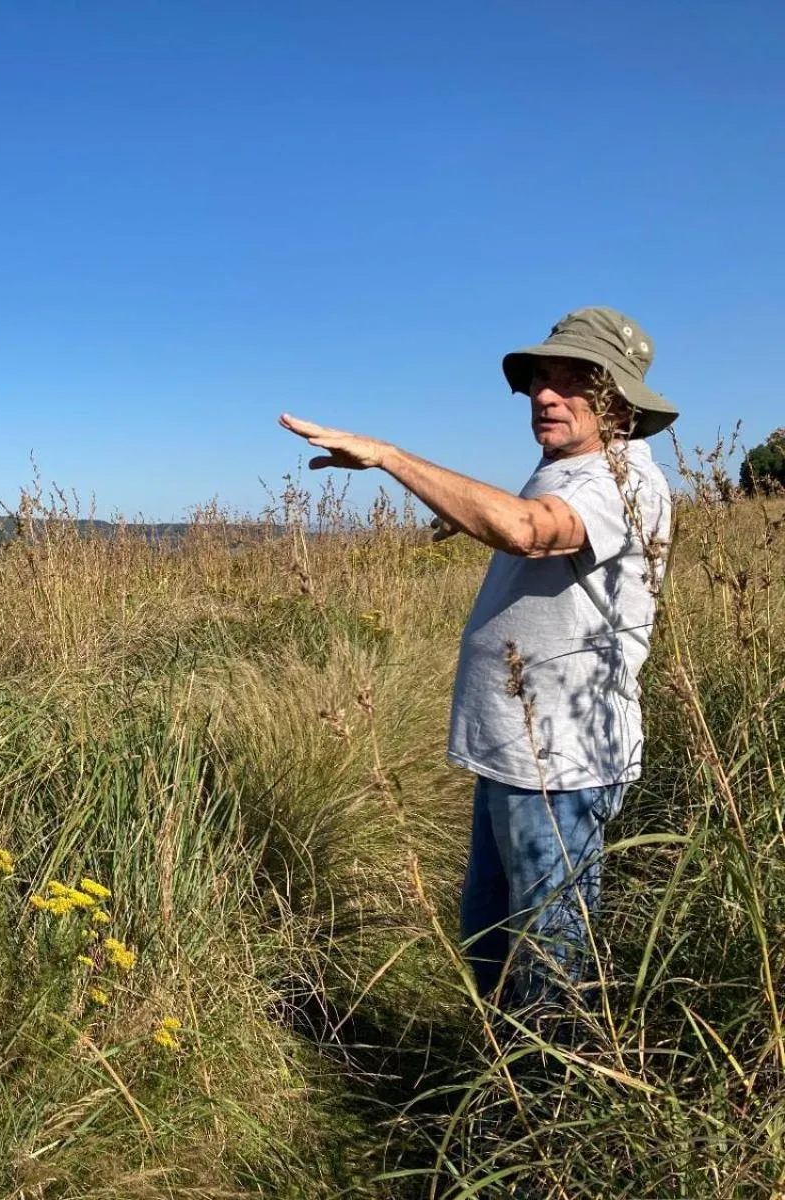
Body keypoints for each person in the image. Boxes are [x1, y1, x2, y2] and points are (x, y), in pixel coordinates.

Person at [279, 307, 676, 1008]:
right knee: (490, 944)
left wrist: (390, 457)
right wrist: (458, 518)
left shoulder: (625, 479)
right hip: (515, 752)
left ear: (616, 396)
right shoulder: (563, 470)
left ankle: (551, 1102)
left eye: (570, 381)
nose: (544, 396)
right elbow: (531, 527)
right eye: (538, 382)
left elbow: (529, 533)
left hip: (561, 764)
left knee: (551, 963)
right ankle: (502, 1086)